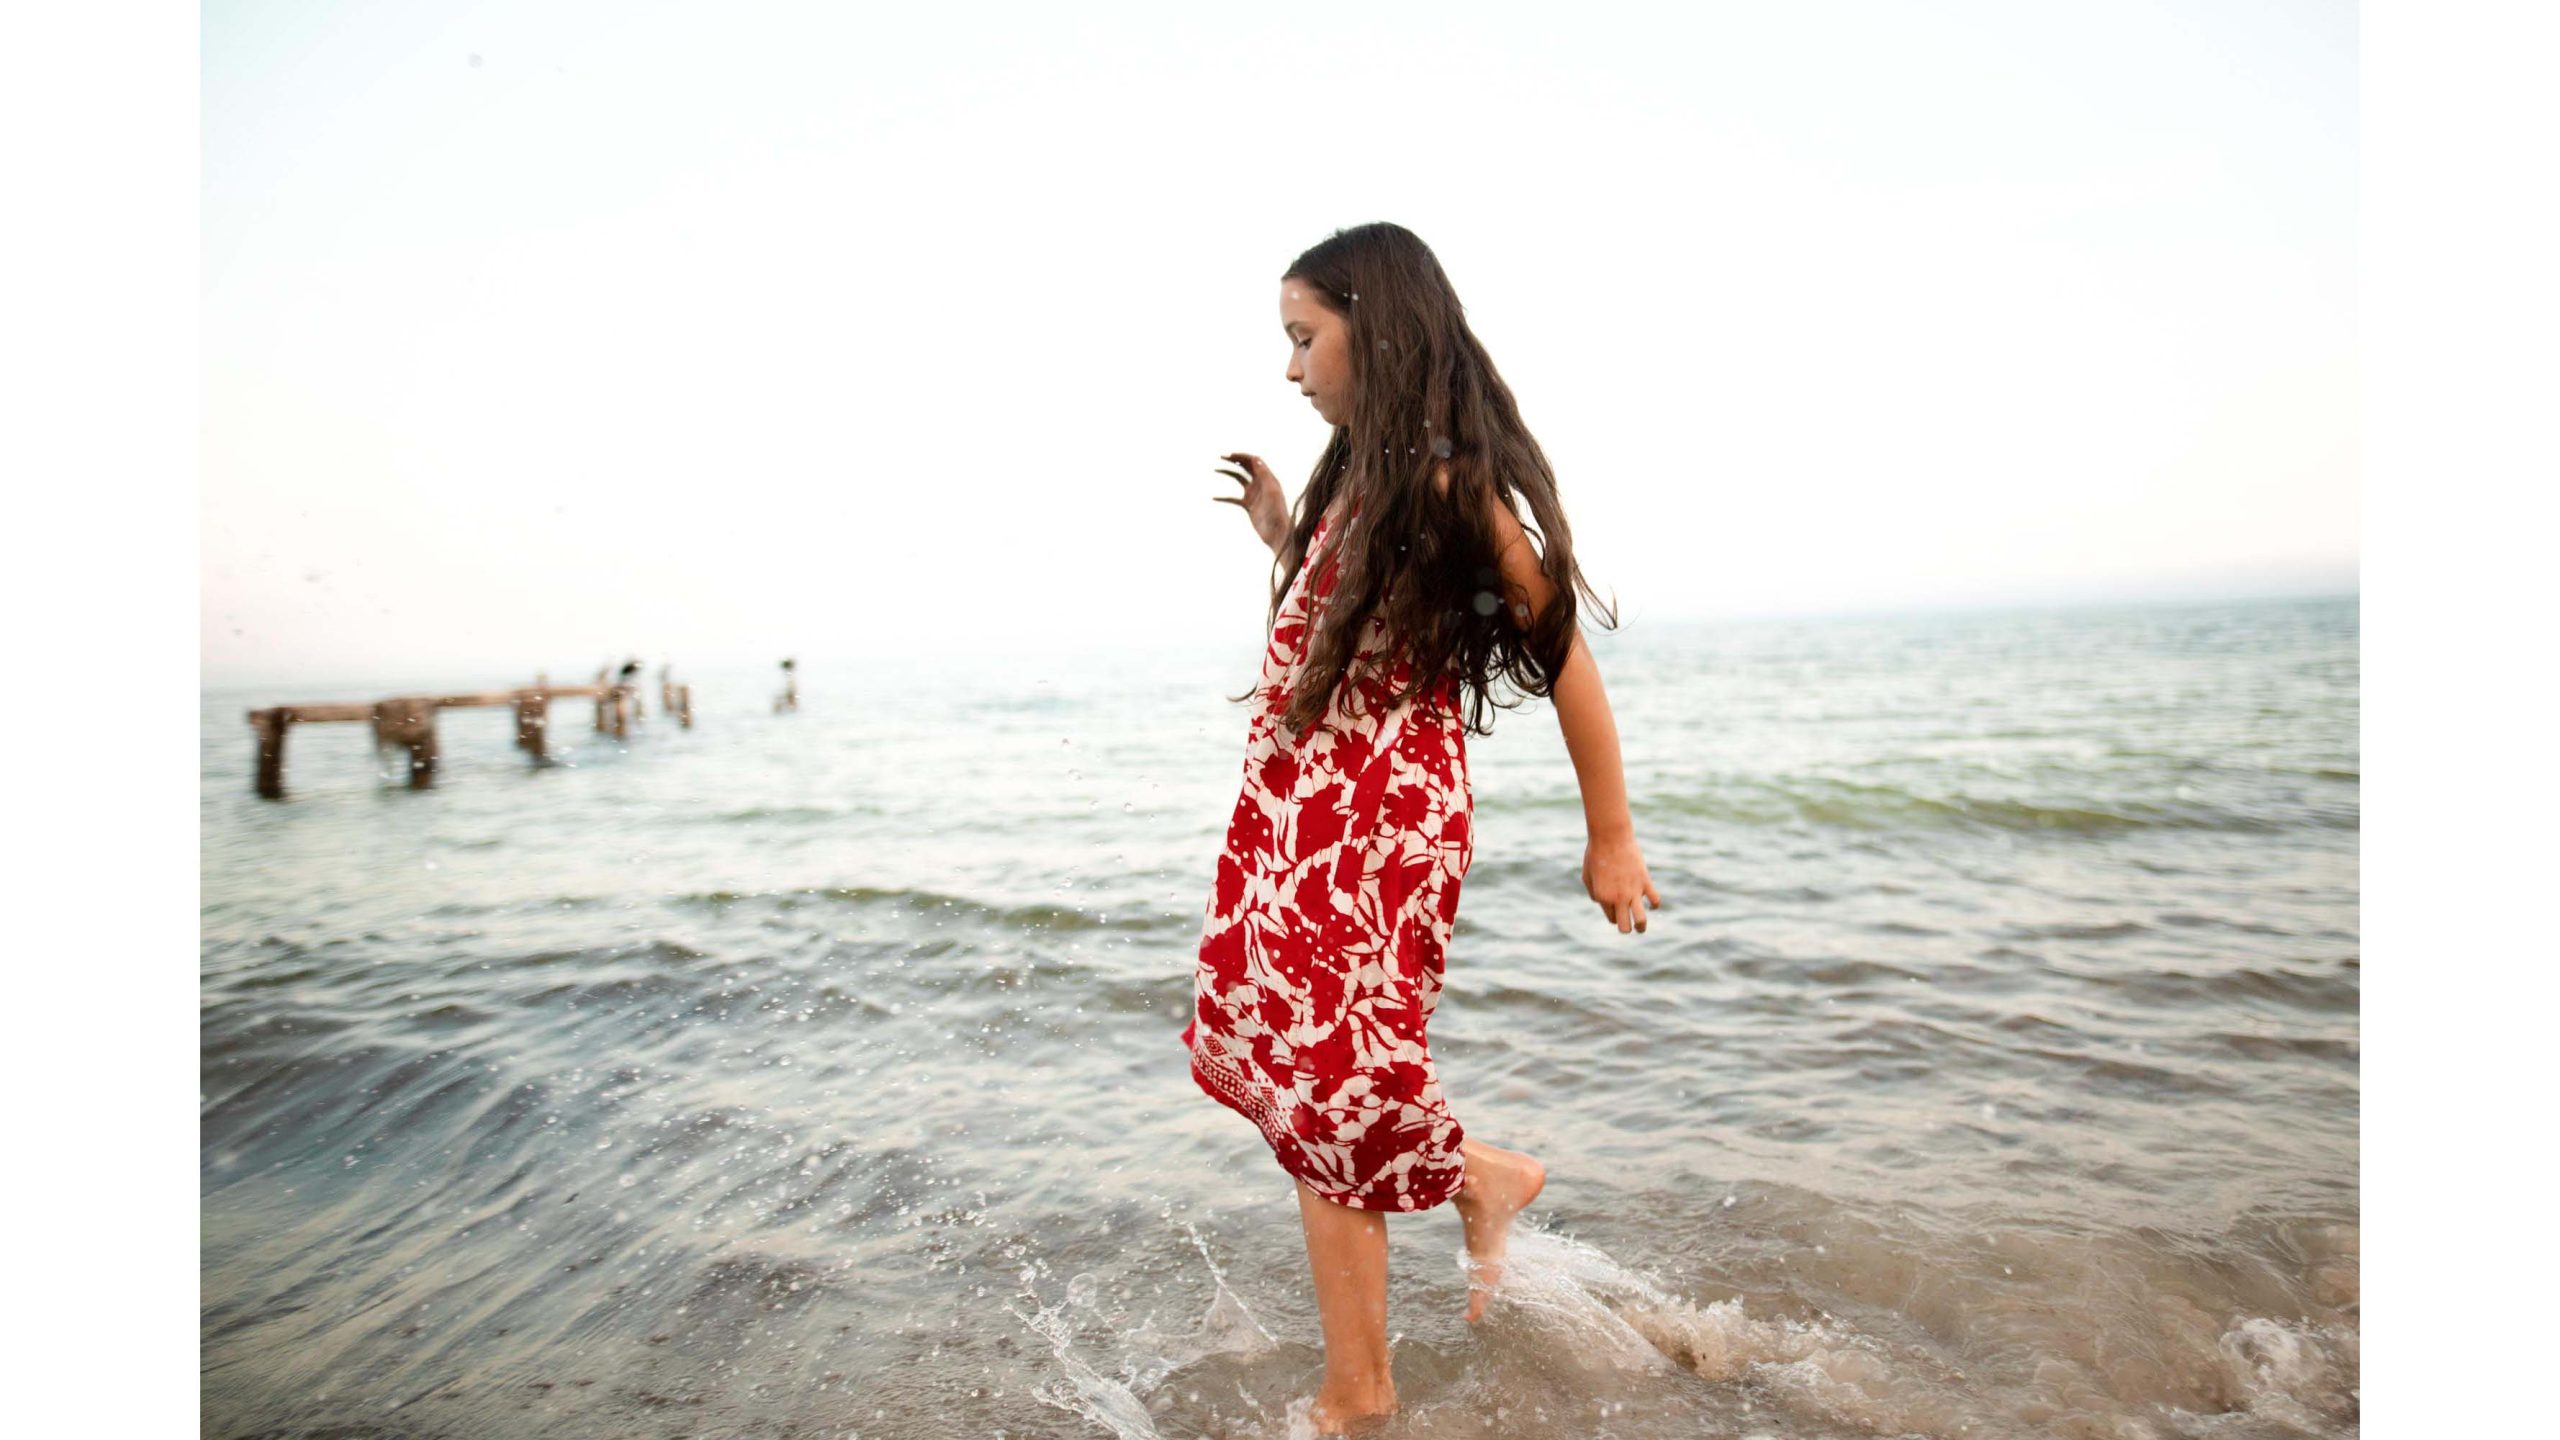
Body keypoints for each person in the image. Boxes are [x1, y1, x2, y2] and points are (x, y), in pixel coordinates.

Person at [1182, 221, 1662, 1434]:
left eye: (1305, 338)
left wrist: (1610, 839)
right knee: (1304, 1082)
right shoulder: (1357, 479)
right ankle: (1479, 1182)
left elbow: (1567, 667)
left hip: (1376, 832)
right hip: (1296, 821)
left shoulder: (1455, 489)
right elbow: (1346, 608)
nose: (1291, 370)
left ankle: (1359, 1395)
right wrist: (1282, 530)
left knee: (1332, 1094)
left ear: (1376, 327)